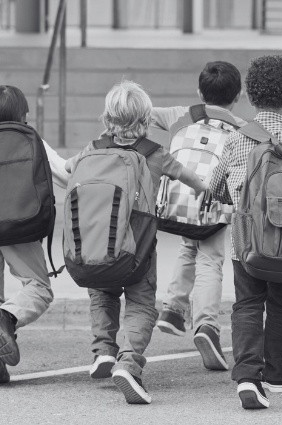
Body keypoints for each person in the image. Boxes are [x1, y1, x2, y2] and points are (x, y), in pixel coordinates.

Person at [66, 80, 208, 404]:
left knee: (102, 293)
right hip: (138, 250)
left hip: (98, 244)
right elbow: (190, 178)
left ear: (106, 118)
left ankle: (103, 349)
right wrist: (207, 189)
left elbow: (68, 168)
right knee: (141, 303)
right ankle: (128, 363)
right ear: (146, 121)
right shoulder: (155, 154)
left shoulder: (93, 149)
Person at [205, 55, 282, 409]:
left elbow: (214, 187)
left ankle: (248, 376)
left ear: (248, 95)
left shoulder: (236, 139)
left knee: (247, 304)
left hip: (245, 241)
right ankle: (277, 376)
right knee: (281, 302)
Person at [0, 85, 70, 384]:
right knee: (39, 288)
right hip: (21, 227)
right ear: (24, 114)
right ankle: (8, 317)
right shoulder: (31, 140)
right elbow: (65, 175)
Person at [150, 61, 247, 373]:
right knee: (210, 261)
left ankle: (173, 309)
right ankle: (207, 327)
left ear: (199, 92)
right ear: (239, 95)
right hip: (215, 204)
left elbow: (143, 112)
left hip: (179, 202)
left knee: (189, 245)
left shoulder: (181, 114)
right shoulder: (242, 128)